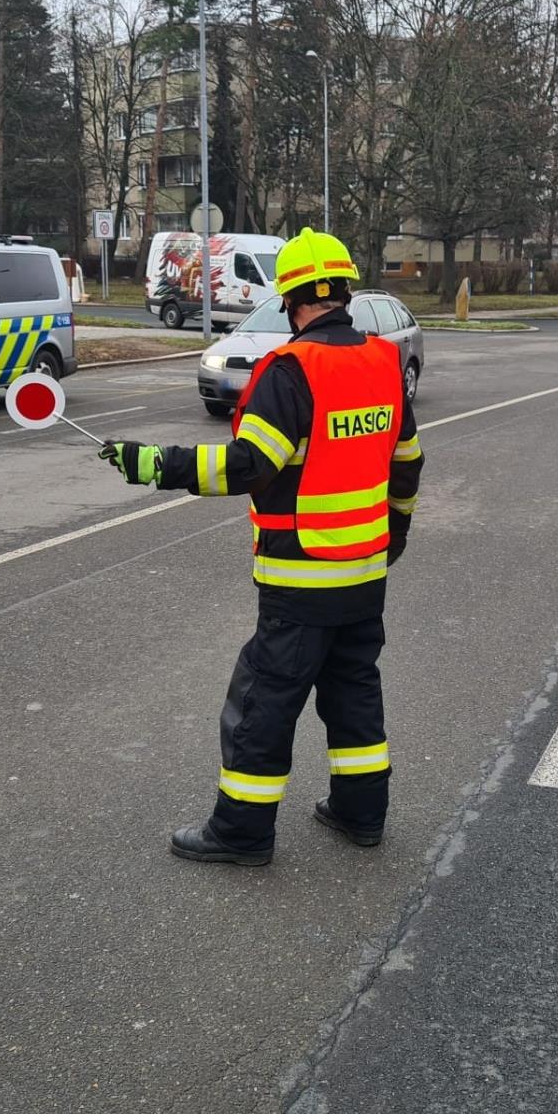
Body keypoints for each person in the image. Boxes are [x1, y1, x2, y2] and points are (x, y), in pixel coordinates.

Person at [99, 228, 424, 867]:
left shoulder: (290, 369)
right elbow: (407, 461)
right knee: (354, 689)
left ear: (291, 298)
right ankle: (363, 815)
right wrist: (397, 533)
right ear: (346, 292)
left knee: (264, 699)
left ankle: (242, 832)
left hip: (301, 574)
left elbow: (252, 465)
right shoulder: (383, 362)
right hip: (364, 571)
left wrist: (157, 464)